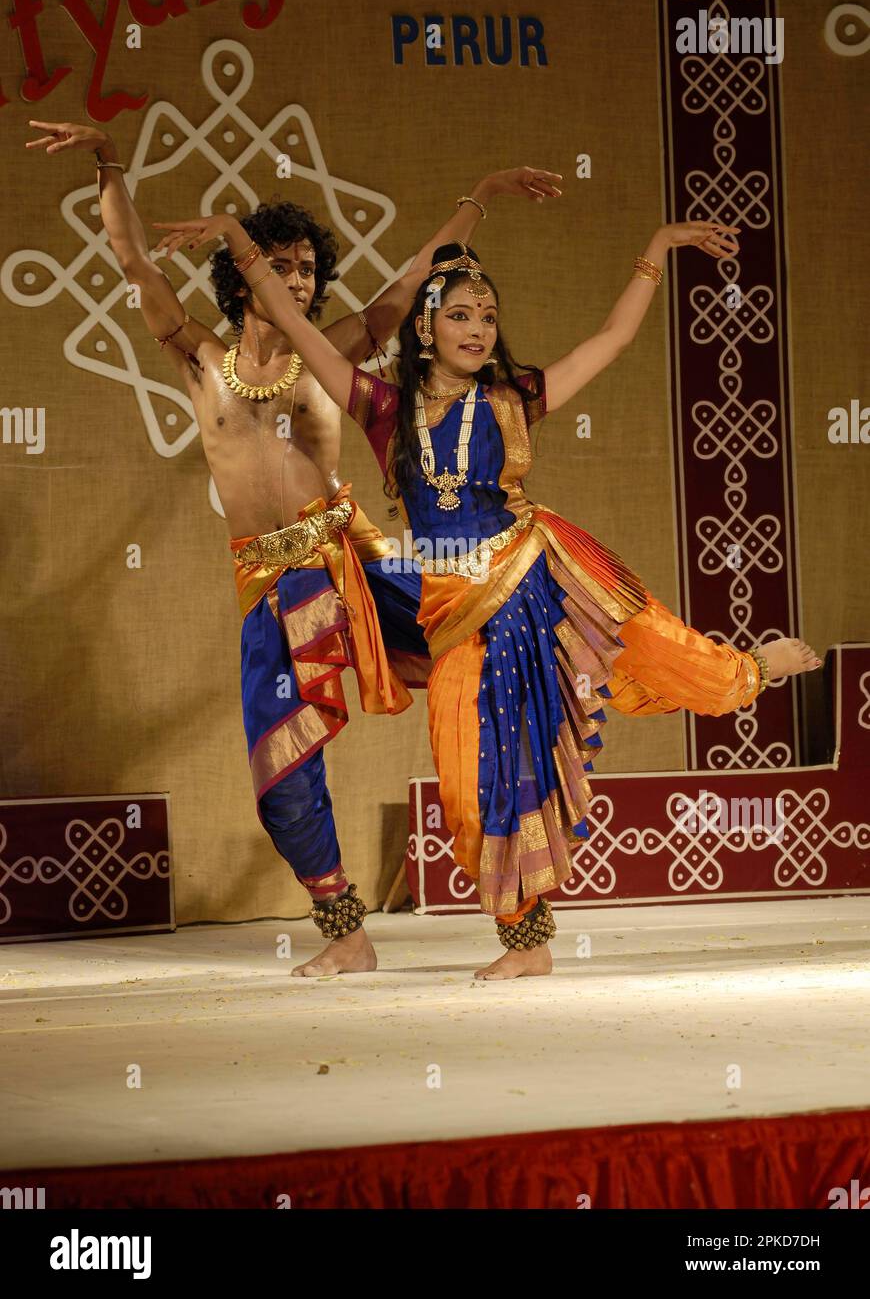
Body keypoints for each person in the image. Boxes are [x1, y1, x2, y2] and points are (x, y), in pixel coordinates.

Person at [144, 216, 823, 981]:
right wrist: (236, 237)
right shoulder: (380, 406)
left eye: (489, 316)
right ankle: (518, 937)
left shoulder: (513, 398)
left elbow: (610, 342)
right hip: (450, 608)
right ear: (426, 329)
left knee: (644, 651)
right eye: (460, 314)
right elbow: (295, 320)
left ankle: (747, 674)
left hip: (531, 577)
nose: (477, 328)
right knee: (468, 786)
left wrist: (655, 253)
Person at [26, 118, 564, 975]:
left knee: (488, 677)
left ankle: (525, 929)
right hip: (270, 587)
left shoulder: (333, 352)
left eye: (308, 266)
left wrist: (483, 196)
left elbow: (409, 278)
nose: (299, 278)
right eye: (281, 264)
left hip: (353, 562)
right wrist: (105, 158)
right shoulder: (198, 359)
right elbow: (132, 262)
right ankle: (346, 934)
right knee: (282, 780)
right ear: (242, 277)